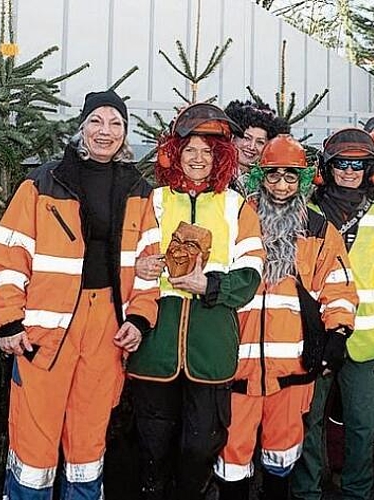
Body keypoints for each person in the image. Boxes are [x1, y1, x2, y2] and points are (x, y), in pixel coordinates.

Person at [0, 90, 160, 499]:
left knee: (88, 440)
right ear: (82, 127)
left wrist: (138, 318)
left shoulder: (139, 190)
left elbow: (150, 262)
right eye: (96, 121)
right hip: (44, 330)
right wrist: (8, 321)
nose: (106, 131)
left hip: (106, 328)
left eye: (116, 123)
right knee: (33, 440)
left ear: (125, 133)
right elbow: (6, 256)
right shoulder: (45, 181)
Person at [128, 102, 265, 499]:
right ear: (175, 152)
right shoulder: (153, 201)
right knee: (153, 446)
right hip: (156, 345)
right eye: (190, 149)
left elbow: (252, 272)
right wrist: (143, 266)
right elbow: (127, 259)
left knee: (202, 444)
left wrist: (210, 287)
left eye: (207, 151)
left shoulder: (235, 206)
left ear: (220, 156)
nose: (198, 158)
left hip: (211, 346)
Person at [214, 134, 359, 499]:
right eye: (273, 175)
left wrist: (337, 334)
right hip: (236, 368)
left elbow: (338, 285)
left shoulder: (317, 228)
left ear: (303, 181)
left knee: (282, 459)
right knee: (232, 460)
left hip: (292, 370)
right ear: (260, 177)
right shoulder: (235, 219)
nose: (281, 185)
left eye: (291, 177)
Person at [292, 128, 374, 500]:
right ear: (327, 168)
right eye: (341, 164)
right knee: (309, 419)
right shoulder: (307, 214)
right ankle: (307, 492)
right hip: (315, 335)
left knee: (363, 424)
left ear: (370, 170)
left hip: (363, 341)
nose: (349, 171)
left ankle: (356, 493)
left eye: (358, 165)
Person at [225, 100, 289, 194]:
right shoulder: (214, 174)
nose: (251, 147)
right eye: (246, 138)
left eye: (260, 142)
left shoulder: (271, 182)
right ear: (232, 137)